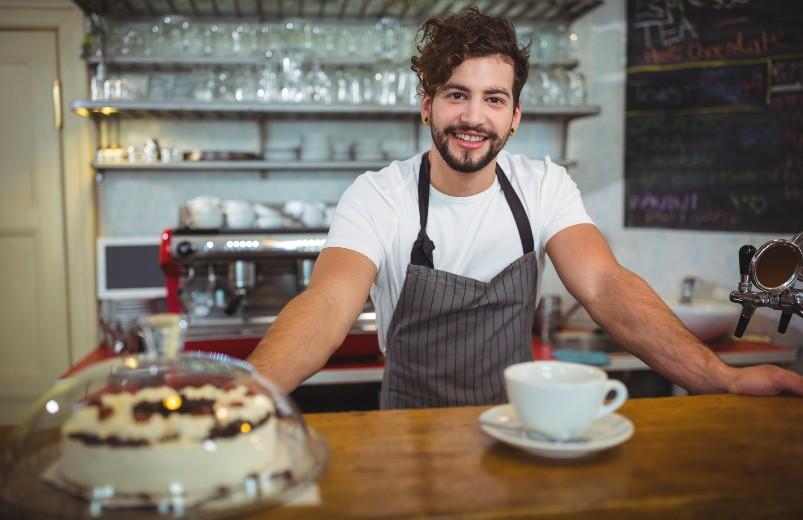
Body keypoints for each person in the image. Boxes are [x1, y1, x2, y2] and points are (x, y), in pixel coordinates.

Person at [248, 8, 803, 407]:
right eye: (456, 94)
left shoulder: (544, 187)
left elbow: (605, 285)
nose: (473, 116)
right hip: (409, 431)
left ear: (515, 116)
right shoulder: (378, 195)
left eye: (493, 99)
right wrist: (242, 392)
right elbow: (327, 305)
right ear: (427, 106)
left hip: (517, 425)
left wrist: (719, 377)